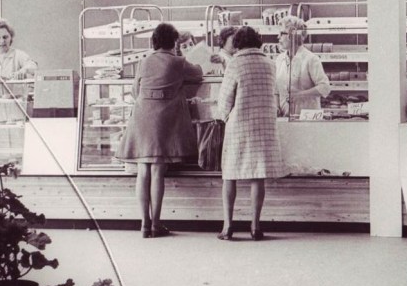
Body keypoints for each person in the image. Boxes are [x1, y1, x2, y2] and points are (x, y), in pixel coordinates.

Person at [116, 22, 203, 238]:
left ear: (154, 41)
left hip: (141, 117)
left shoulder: (144, 61)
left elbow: (136, 90)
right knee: (157, 171)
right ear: (174, 42)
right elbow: (199, 73)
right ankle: (156, 223)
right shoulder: (178, 62)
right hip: (163, 120)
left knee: (143, 171)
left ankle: (144, 224)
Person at [215, 25, 282, 240]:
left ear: (238, 44)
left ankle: (227, 227)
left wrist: (224, 117)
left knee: (230, 176)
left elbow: (225, 100)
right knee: (257, 177)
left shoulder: (235, 63)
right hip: (264, 125)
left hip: (240, 125)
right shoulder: (270, 63)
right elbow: (274, 93)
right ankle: (255, 227)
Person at [274, 15, 331, 117]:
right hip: (285, 118)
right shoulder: (279, 59)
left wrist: (300, 94)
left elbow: (325, 87)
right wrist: (276, 107)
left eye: (281, 33)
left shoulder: (311, 59)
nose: (278, 37)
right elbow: (276, 90)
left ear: (293, 34)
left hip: (307, 118)